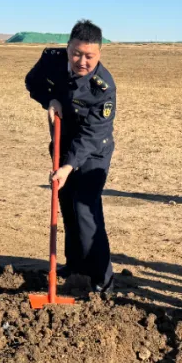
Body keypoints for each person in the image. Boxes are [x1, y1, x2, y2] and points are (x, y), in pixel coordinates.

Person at [25, 19, 116, 295]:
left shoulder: (103, 88)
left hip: (92, 153)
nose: (82, 61)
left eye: (89, 56)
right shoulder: (52, 60)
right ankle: (75, 266)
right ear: (67, 48)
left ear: (99, 54)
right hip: (62, 142)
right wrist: (49, 99)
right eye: (77, 53)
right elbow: (32, 82)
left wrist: (68, 166)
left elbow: (91, 134)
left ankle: (103, 279)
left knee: (85, 210)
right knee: (66, 205)